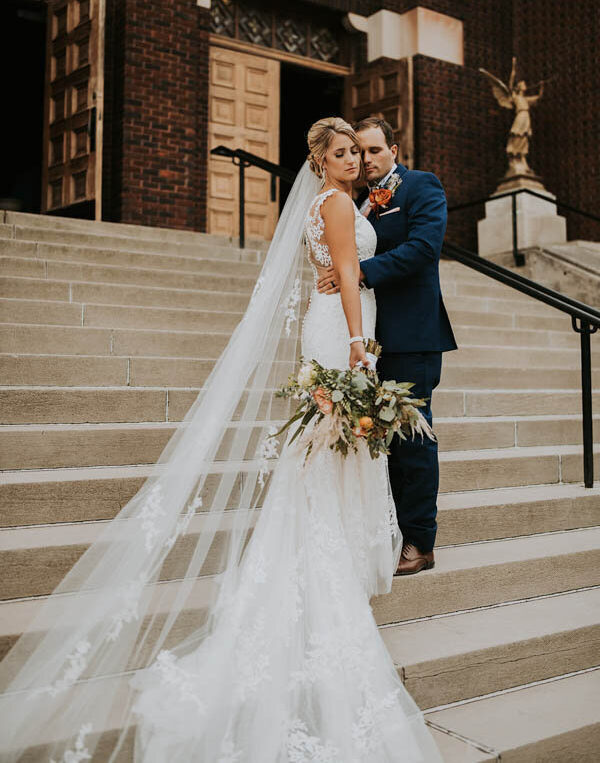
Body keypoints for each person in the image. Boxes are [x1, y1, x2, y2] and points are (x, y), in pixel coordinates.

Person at [0, 118, 443, 763]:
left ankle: (347, 539)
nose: (355, 160)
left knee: (327, 446)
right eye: (345, 151)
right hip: (346, 331)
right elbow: (348, 274)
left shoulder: (336, 203)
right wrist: (357, 347)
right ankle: (334, 550)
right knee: (334, 444)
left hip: (333, 326)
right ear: (322, 161)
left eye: (361, 150)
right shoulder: (341, 202)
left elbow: (354, 263)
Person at [317, 118, 457, 576]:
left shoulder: (422, 186)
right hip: (375, 339)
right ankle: (391, 531)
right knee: (385, 440)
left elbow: (423, 249)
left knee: (414, 440)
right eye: (359, 151)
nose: (365, 159)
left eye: (374, 150)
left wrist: (357, 272)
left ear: (393, 149)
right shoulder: (358, 202)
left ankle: (421, 542)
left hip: (414, 336)